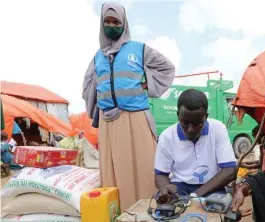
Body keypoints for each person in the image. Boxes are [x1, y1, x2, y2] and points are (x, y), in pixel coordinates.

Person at [82, 3, 175, 210]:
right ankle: (120, 213)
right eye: (107, 21)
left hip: (136, 118)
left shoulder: (139, 49)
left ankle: (148, 210)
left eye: (116, 22)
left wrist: (145, 85)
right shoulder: (98, 57)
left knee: (143, 167)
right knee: (115, 170)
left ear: (124, 24)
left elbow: (167, 68)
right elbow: (88, 84)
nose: (111, 25)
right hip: (109, 122)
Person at [154, 89, 236, 202]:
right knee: (166, 213)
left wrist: (194, 196)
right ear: (178, 115)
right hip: (180, 188)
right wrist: (165, 188)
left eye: (198, 123)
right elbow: (160, 175)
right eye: (185, 123)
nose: (191, 129)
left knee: (218, 211)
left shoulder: (218, 129)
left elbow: (229, 170)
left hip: (212, 186)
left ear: (206, 117)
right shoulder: (166, 136)